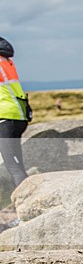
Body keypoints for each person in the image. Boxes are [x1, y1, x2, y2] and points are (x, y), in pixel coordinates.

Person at [0, 37, 31, 188]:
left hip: (5, 118)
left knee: (13, 167)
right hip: (17, 115)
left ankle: (26, 203)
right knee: (17, 164)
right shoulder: (5, 59)